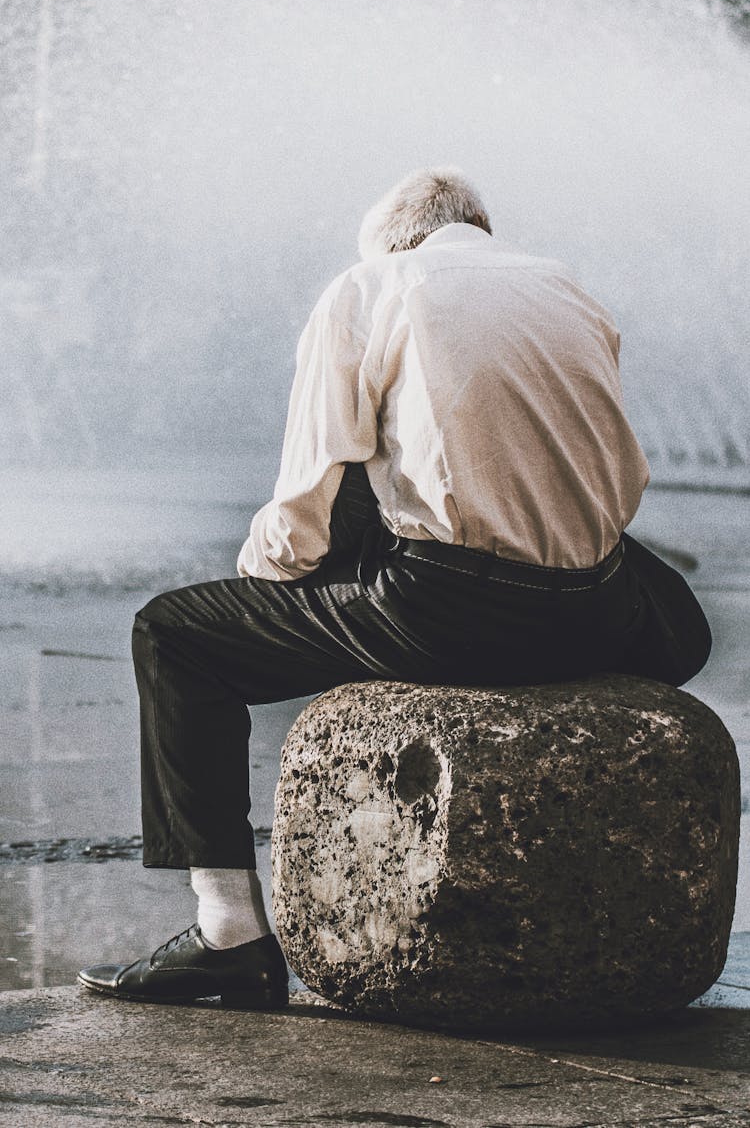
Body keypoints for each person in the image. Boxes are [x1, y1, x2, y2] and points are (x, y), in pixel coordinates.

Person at [77, 167, 711, 1009]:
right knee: (662, 597)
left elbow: (301, 514)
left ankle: (227, 932)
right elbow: (615, 483)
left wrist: (263, 588)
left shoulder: (369, 286)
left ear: (391, 239)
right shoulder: (568, 289)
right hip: (596, 609)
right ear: (477, 228)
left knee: (172, 633)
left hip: (454, 611)